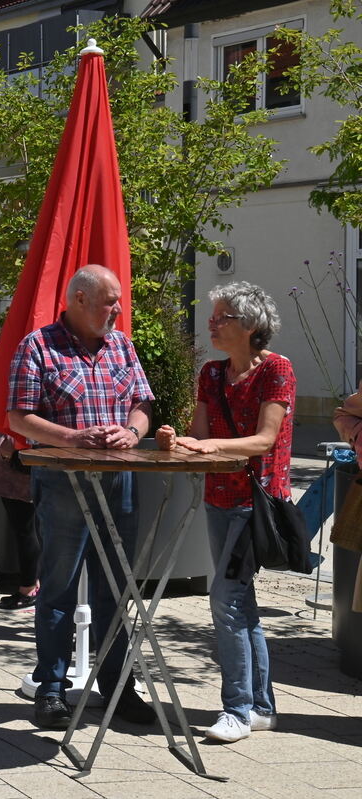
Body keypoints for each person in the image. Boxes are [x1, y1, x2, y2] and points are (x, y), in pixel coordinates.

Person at [7, 264, 157, 730]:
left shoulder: (122, 345)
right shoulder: (38, 347)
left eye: (119, 300)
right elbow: (18, 419)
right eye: (110, 301)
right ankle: (50, 691)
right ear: (78, 300)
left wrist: (133, 431)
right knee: (58, 590)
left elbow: (143, 402)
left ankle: (118, 690)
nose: (119, 309)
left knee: (118, 588)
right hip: (64, 484)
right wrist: (73, 439)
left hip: (118, 484)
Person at [156, 282, 292, 744]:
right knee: (240, 601)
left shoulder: (277, 369)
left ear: (250, 325)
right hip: (218, 498)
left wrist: (210, 443)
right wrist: (178, 441)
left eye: (222, 317)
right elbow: (198, 432)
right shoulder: (211, 374)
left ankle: (235, 708)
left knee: (226, 599)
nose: (212, 323)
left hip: (256, 503)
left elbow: (263, 440)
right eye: (212, 316)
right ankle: (261, 707)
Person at [0, 432, 38, 610]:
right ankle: (31, 586)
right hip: (10, 458)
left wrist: (13, 440)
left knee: (26, 528)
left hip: (17, 458)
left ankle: (29, 590)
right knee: (24, 527)